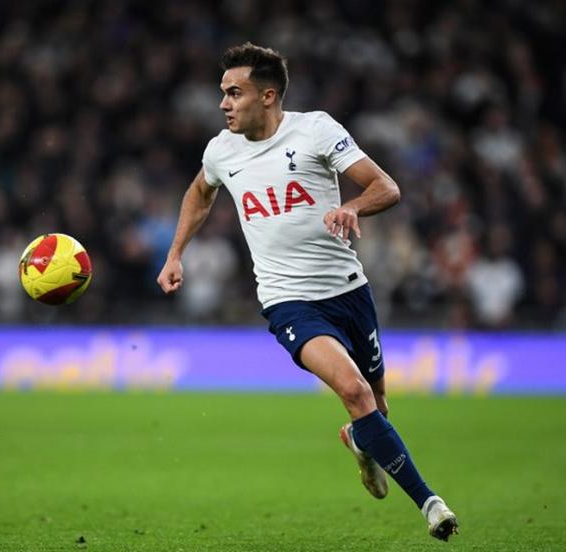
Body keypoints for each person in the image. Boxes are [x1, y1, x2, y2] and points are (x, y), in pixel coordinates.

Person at [156, 43, 459, 541]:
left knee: (375, 410)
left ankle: (360, 442)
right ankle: (431, 504)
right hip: (287, 301)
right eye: (222, 93)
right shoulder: (221, 150)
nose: (223, 103)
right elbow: (199, 192)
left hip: (348, 290)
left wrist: (354, 208)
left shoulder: (316, 130)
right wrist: (174, 254)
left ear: (268, 95)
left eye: (235, 93)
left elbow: (386, 187)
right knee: (355, 391)